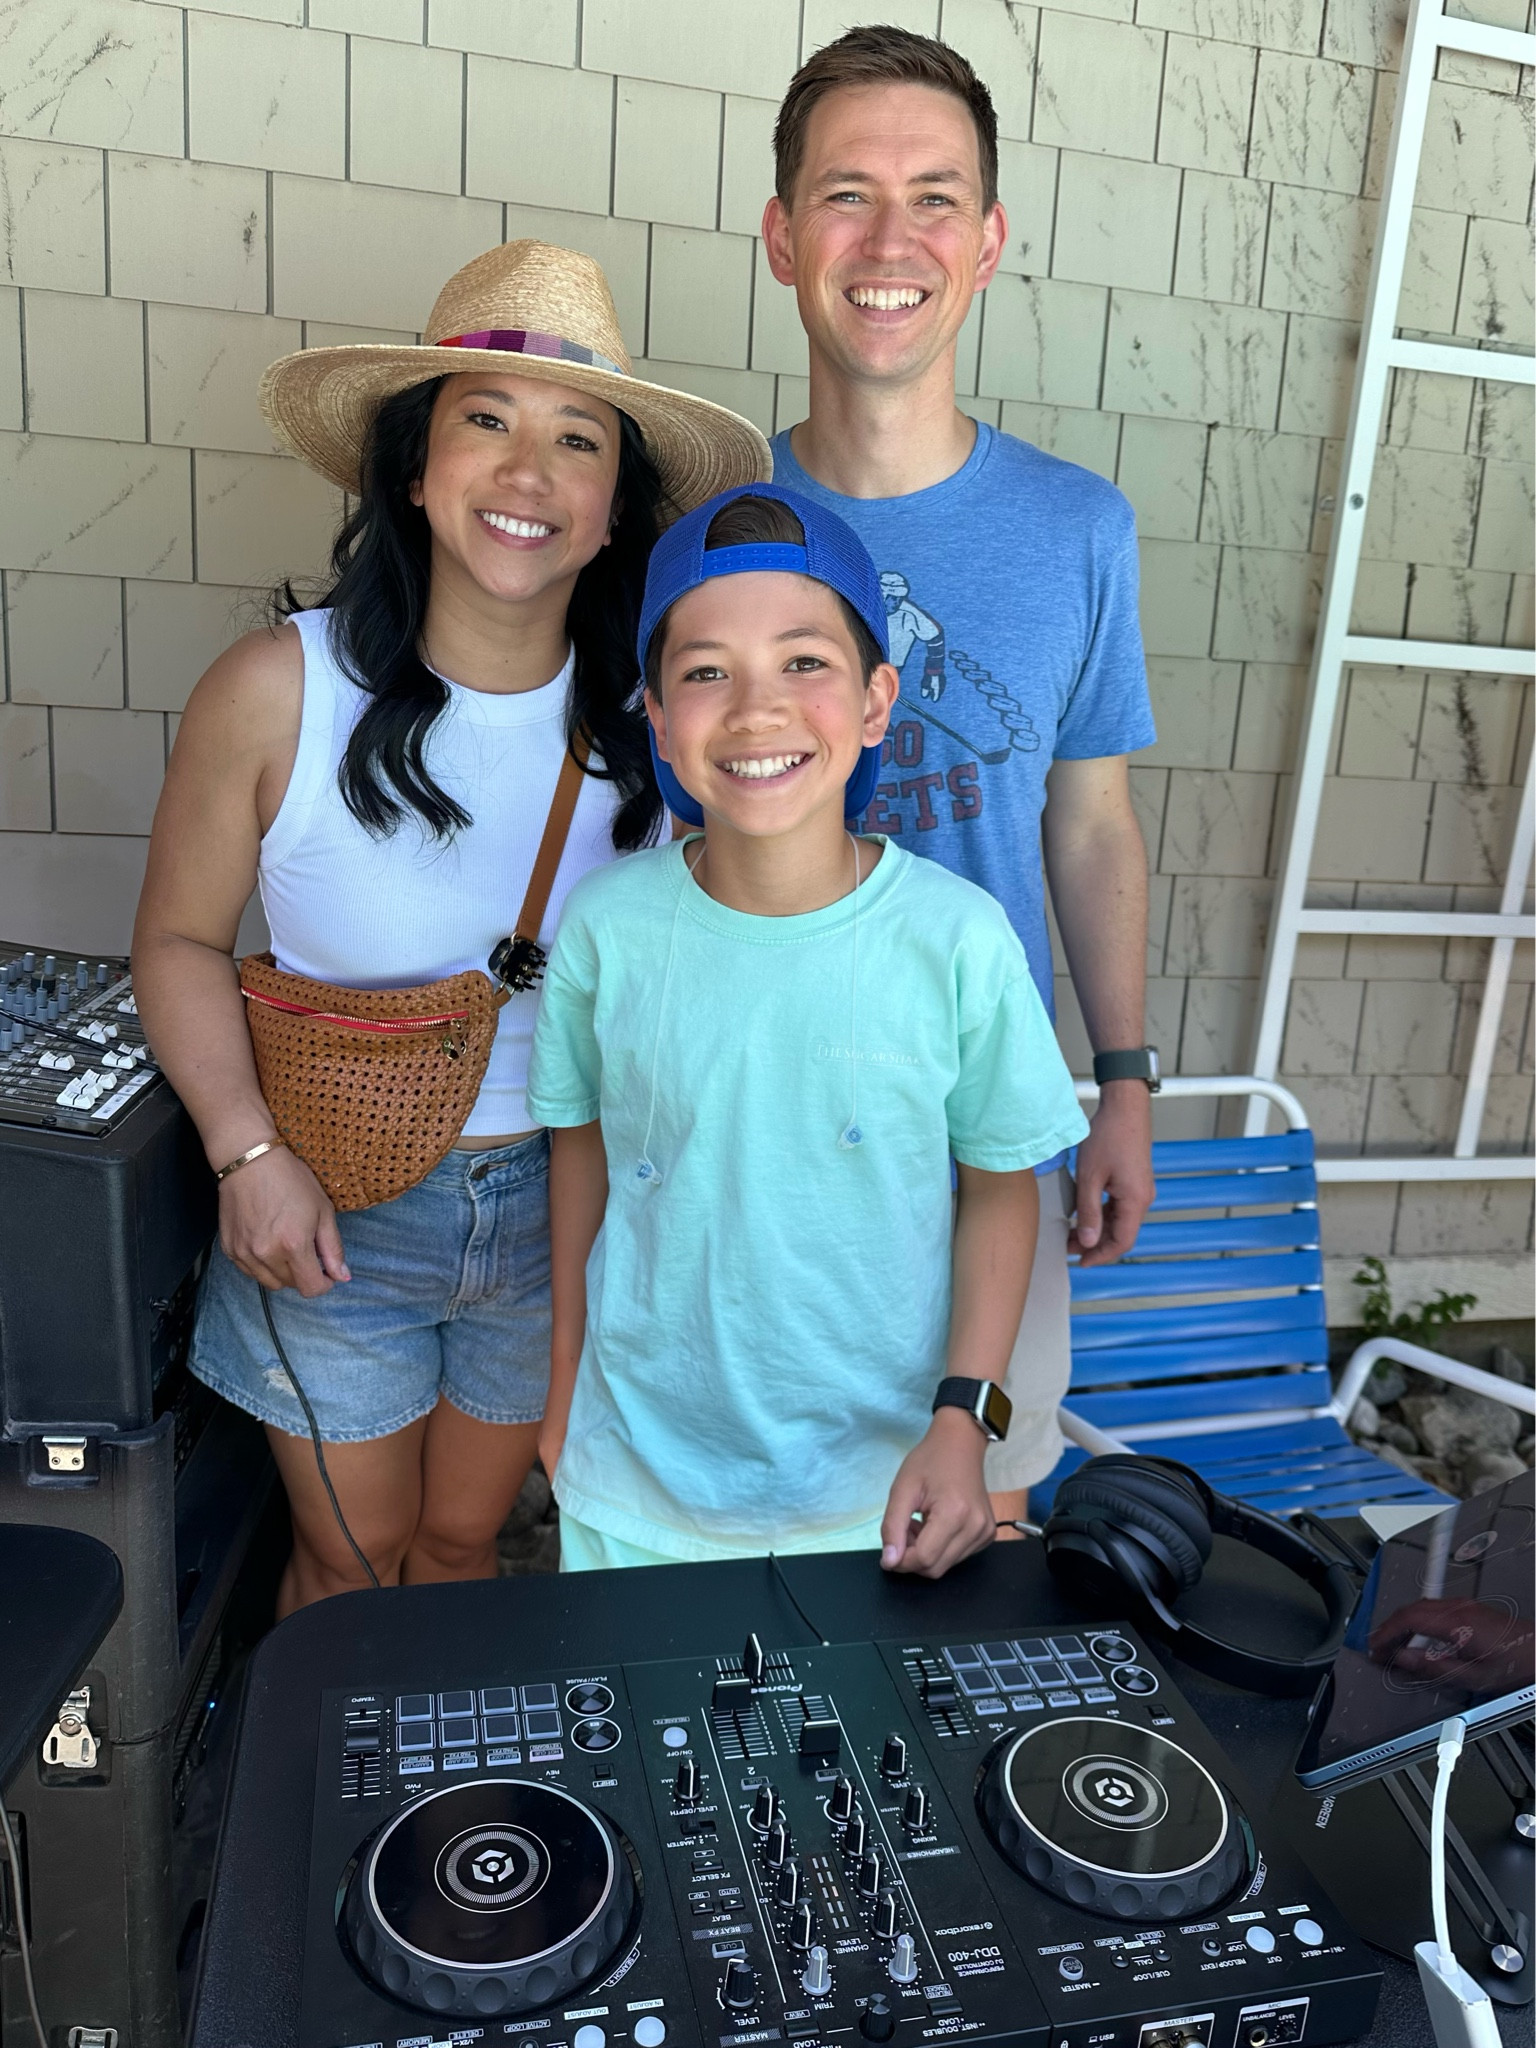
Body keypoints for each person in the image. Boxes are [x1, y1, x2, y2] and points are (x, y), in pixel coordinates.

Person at [132, 241, 769, 1615]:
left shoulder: (661, 727)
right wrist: (244, 1154)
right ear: (415, 468)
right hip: (334, 1207)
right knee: (345, 1569)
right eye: (485, 421)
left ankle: (440, 1824)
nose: (528, 474)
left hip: (559, 1209)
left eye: (576, 441)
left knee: (464, 1555)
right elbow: (178, 944)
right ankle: (329, 1824)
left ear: (614, 511)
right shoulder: (273, 691)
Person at [528, 484, 1088, 1577]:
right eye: (704, 671)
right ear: (652, 710)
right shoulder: (607, 925)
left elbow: (1000, 1186)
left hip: (879, 1496)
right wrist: (563, 1386)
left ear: (879, 699)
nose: (755, 708)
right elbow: (579, 1150)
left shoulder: (957, 939)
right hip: (636, 1481)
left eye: (804, 661)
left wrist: (964, 1421)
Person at [761, 28, 1159, 1525]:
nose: (890, 239)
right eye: (847, 192)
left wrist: (1119, 1080)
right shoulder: (711, 522)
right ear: (783, 234)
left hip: (986, 1139)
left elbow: (1093, 822)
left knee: (978, 1525)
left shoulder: (1077, 527)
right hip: (759, 1130)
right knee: (759, 1540)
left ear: (988, 242)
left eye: (936, 198)